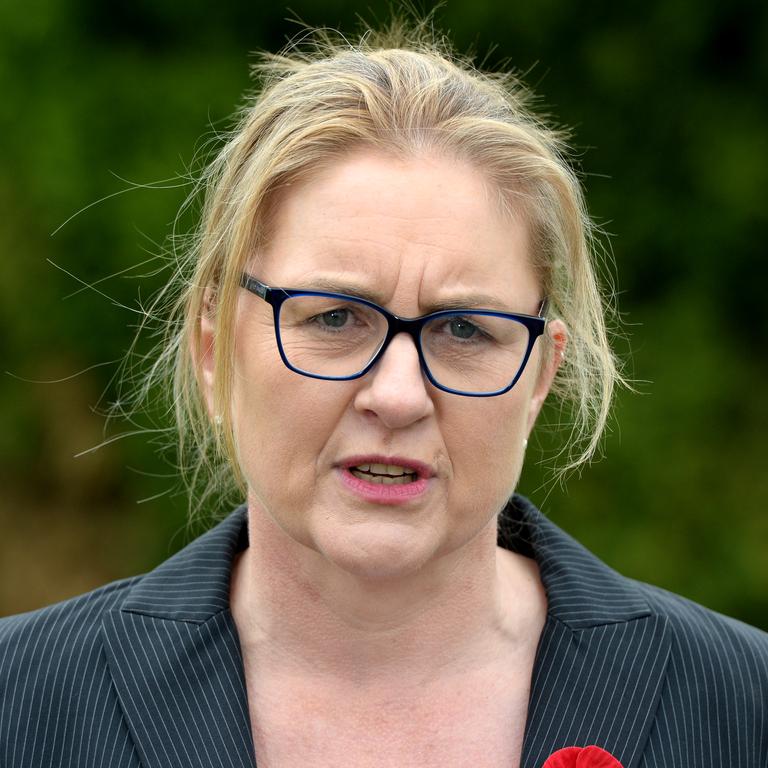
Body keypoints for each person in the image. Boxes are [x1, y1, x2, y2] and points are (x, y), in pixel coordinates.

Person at [1, 20, 766, 768]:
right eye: (334, 317)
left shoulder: (743, 704)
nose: (398, 396)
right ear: (213, 352)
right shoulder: (22, 701)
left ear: (539, 377)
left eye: (465, 329)